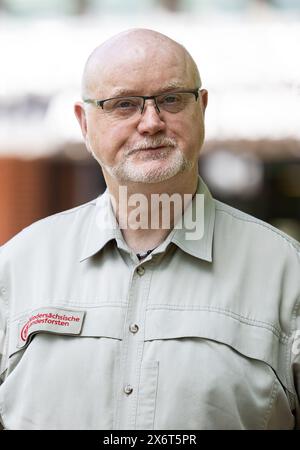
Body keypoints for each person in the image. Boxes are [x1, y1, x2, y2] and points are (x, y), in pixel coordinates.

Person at [0, 28, 299, 431]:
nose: (151, 122)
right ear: (84, 123)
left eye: (172, 99)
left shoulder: (286, 273)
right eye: (124, 105)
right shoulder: (18, 266)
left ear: (202, 109)